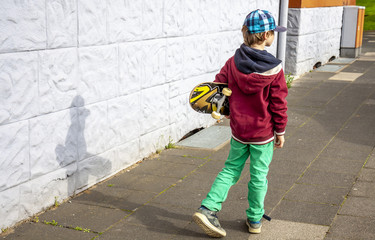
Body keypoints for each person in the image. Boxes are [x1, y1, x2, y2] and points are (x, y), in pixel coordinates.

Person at [192, 9, 288, 237]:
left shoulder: (232, 62)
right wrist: (280, 131)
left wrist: (225, 108)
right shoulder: (274, 69)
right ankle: (255, 219)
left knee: (230, 169)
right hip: (262, 134)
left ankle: (208, 208)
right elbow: (278, 103)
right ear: (266, 35)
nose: (274, 35)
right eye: (273, 32)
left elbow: (217, 88)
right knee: (258, 176)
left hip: (239, 131)